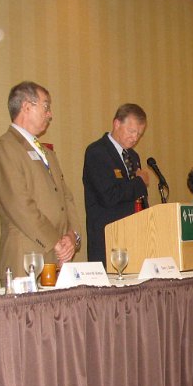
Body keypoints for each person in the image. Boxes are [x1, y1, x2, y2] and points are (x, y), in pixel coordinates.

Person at [0, 81, 80, 283]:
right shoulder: (5, 147)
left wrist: (72, 238)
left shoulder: (48, 153)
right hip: (24, 259)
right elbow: (19, 205)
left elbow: (67, 199)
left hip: (57, 259)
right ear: (26, 107)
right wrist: (57, 242)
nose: (50, 114)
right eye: (46, 106)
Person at [82, 103, 150, 266]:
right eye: (132, 131)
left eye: (139, 134)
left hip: (134, 238)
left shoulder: (133, 156)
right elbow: (109, 196)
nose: (135, 138)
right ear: (117, 123)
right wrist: (140, 182)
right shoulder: (97, 152)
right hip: (108, 240)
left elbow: (137, 198)